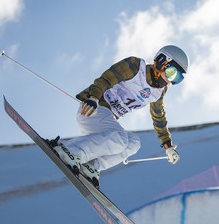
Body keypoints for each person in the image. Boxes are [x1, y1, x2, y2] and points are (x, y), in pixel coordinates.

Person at [53, 45, 189, 189]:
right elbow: (107, 78)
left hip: (105, 120)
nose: (170, 81)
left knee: (133, 143)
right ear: (162, 61)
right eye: (171, 73)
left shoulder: (158, 92)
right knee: (120, 139)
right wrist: (93, 97)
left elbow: (158, 116)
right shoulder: (135, 67)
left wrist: (167, 145)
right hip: (93, 109)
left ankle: (91, 165)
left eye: (177, 79)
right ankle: (70, 150)